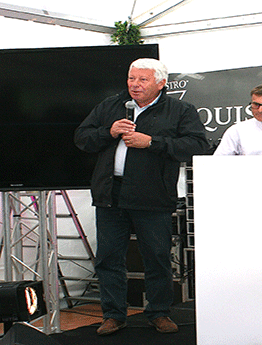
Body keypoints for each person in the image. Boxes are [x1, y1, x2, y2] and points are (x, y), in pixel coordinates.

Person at [74, 58, 209, 335]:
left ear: (161, 83)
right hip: (110, 195)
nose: (135, 85)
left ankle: (159, 313)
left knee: (157, 257)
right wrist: (108, 132)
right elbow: (82, 137)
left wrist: (153, 143)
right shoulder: (110, 106)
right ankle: (113, 315)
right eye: (131, 78)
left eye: (142, 80)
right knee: (108, 259)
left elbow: (197, 145)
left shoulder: (180, 110)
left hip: (152, 197)